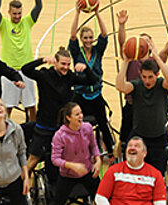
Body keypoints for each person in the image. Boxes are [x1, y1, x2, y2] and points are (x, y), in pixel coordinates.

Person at [21, 47, 96, 185]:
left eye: (68, 64)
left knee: (62, 162)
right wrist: (41, 60)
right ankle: (21, 190)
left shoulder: (70, 77)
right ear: (55, 63)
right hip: (43, 127)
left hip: (62, 130)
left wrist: (86, 69)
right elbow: (25, 69)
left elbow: (92, 81)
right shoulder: (45, 75)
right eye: (63, 64)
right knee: (32, 162)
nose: (66, 67)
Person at [116, 9, 168, 153]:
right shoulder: (131, 60)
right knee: (126, 138)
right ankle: (123, 155)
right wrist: (121, 26)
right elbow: (122, 43)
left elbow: (166, 50)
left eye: (148, 40)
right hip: (132, 104)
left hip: (154, 105)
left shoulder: (155, 61)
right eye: (143, 40)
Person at [116, 37, 168, 174]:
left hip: (159, 138)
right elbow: (120, 86)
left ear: (157, 75)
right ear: (140, 75)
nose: (147, 80)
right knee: (134, 172)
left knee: (158, 175)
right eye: (144, 77)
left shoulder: (161, 85)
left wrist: (155, 56)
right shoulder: (137, 85)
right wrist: (125, 62)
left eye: (150, 77)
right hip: (139, 137)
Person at [69, 2, 114, 157]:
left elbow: (104, 35)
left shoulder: (97, 51)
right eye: (85, 38)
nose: (88, 40)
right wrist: (77, 13)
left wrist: (97, 13)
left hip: (95, 94)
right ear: (82, 39)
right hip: (80, 94)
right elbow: (72, 35)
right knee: (70, 122)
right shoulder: (76, 52)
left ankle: (111, 151)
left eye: (90, 37)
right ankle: (71, 149)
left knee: (103, 123)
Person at [0, 0, 42, 121]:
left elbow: (39, 6)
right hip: (9, 70)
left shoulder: (27, 22)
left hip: (27, 70)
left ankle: (32, 132)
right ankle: (5, 132)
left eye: (19, 13)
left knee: (31, 105)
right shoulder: (3, 24)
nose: (17, 16)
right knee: (7, 106)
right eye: (14, 13)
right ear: (9, 12)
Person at [51, 102, 101, 204]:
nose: (81, 116)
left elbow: (94, 146)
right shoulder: (60, 135)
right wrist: (72, 165)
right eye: (77, 114)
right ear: (69, 118)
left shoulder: (87, 127)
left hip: (87, 171)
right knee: (58, 202)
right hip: (67, 175)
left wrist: (98, 160)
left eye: (81, 113)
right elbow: (55, 159)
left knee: (103, 198)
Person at [95, 137, 167, 205]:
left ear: (144, 153)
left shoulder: (156, 175)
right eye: (129, 146)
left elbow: (160, 202)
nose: (132, 148)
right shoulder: (113, 171)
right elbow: (100, 197)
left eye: (137, 146)